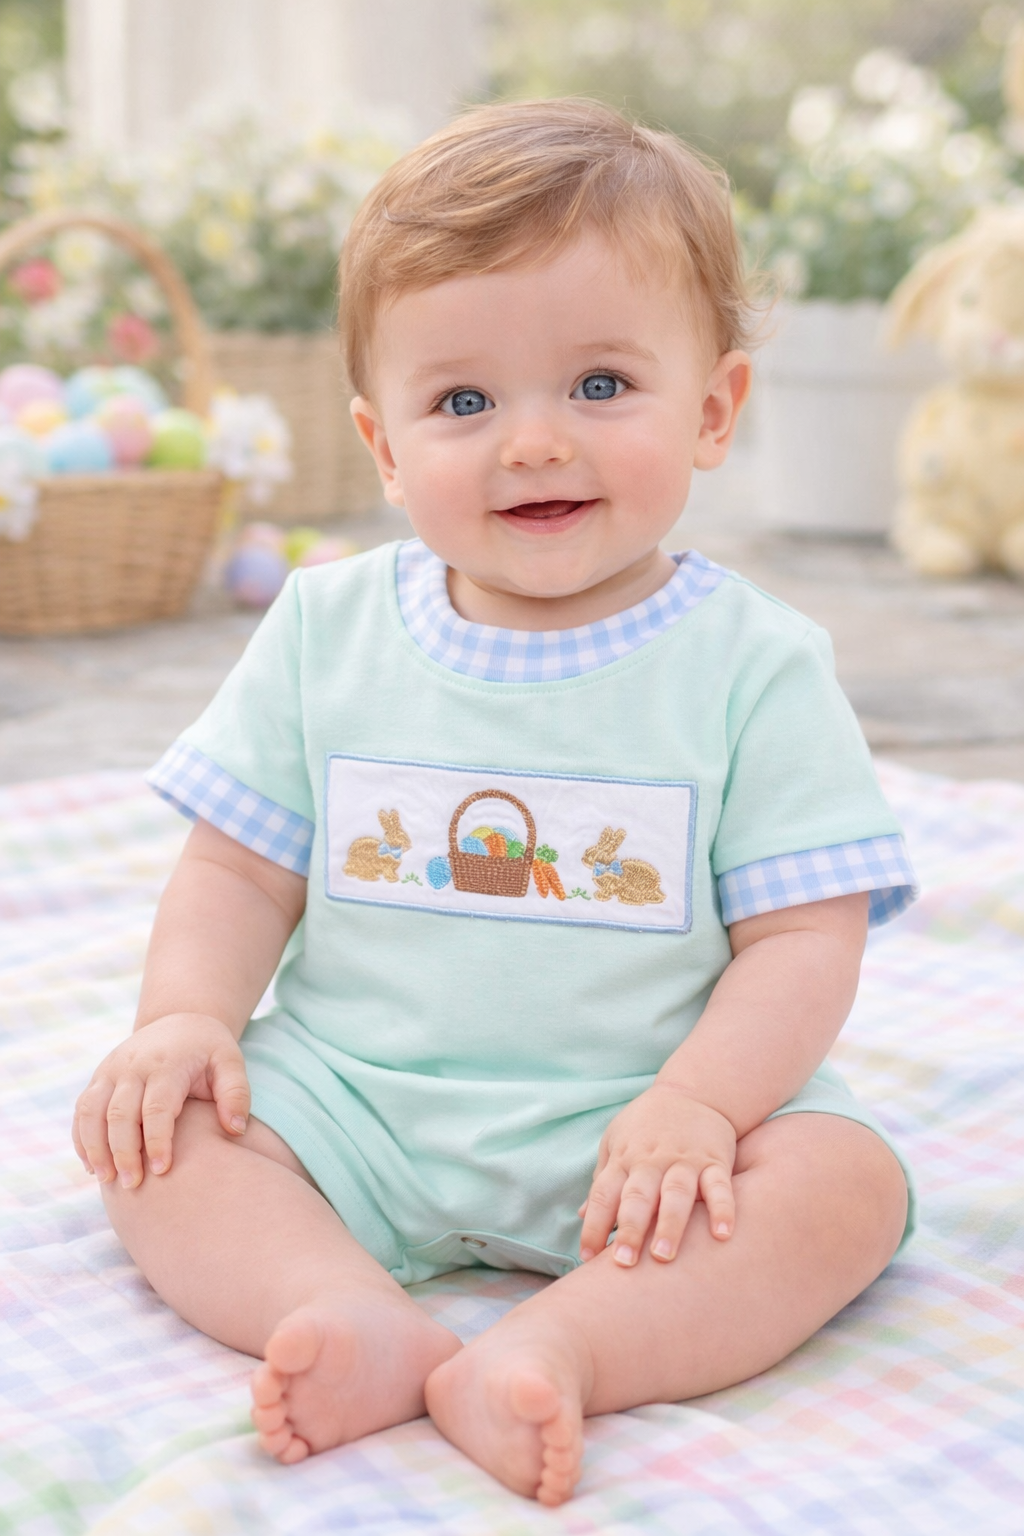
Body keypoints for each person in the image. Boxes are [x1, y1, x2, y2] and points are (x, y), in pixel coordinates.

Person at [73, 100, 917, 1507]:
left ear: (713, 409)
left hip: (647, 1124)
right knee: (159, 1144)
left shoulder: (752, 665)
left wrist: (701, 1107)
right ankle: (343, 1308)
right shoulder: (323, 628)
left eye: (599, 385)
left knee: (845, 1190)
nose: (532, 443)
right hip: (353, 1103)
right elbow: (236, 874)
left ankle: (563, 1346)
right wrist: (186, 1021)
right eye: (463, 403)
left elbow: (804, 940)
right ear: (384, 444)